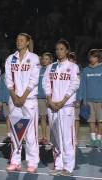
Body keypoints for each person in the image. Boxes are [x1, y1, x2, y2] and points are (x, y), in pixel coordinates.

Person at [43, 39, 80, 176]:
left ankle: (68, 166)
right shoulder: (51, 67)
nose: (59, 51)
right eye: (57, 49)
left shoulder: (73, 67)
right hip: (52, 107)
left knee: (67, 138)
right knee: (55, 138)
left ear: (67, 51)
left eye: (62, 49)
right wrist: (49, 100)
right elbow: (46, 84)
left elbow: (74, 85)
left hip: (66, 107)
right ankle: (58, 164)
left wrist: (63, 101)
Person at [5, 33, 40, 173]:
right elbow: (8, 79)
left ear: (27, 43)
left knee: (31, 133)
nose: (18, 42)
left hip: (29, 100)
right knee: (15, 132)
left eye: (21, 40)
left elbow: (34, 79)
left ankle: (32, 162)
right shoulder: (10, 59)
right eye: (17, 40)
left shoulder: (34, 58)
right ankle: (15, 161)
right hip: (14, 100)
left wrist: (23, 96)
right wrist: (14, 96)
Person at [80, 49, 102, 148]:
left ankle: (99, 140)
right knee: (91, 121)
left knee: (100, 121)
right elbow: (83, 86)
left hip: (100, 100)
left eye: (93, 56)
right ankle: (93, 140)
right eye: (90, 56)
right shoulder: (85, 70)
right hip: (89, 101)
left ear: (98, 58)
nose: (91, 58)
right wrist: (84, 99)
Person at [38, 52, 53, 145]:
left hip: (51, 98)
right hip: (40, 97)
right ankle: (44, 137)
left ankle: (54, 137)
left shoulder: (54, 70)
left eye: (47, 59)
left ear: (51, 60)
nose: (44, 60)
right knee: (43, 118)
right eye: (43, 58)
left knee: (52, 119)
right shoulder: (39, 70)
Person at [69, 52, 81, 146]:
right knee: (68, 119)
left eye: (72, 60)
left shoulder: (77, 71)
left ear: (75, 61)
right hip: (66, 100)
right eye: (69, 59)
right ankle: (68, 137)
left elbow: (80, 87)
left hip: (75, 99)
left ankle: (75, 137)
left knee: (76, 119)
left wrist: (78, 99)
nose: (70, 61)